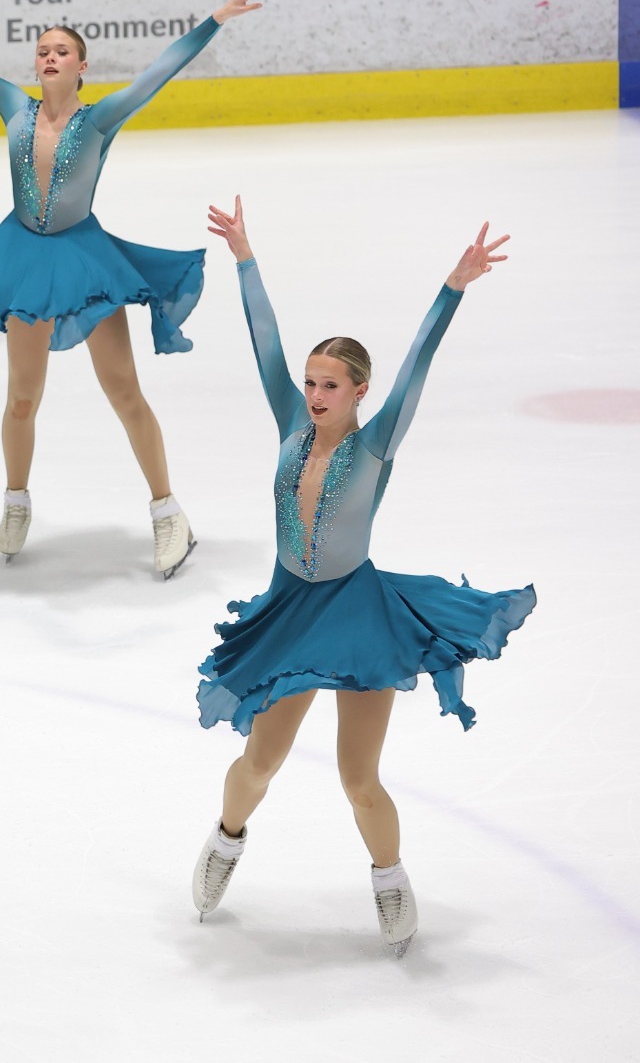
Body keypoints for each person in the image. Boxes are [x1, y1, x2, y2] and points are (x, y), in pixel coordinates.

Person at [189, 199, 535, 956]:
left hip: (357, 611)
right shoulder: (289, 421)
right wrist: (246, 258)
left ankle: (390, 881)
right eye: (311, 382)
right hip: (288, 610)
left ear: (358, 394)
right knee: (260, 761)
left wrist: (453, 287)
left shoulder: (377, 444)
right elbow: (263, 340)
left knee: (359, 778)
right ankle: (225, 841)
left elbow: (418, 361)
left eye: (331, 386)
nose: (314, 395)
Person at [0, 0, 271, 575]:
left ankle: (169, 514)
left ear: (81, 66)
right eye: (42, 51)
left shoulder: (101, 118)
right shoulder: (12, 105)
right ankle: (15, 502)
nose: (49, 56)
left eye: (62, 50)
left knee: (124, 391)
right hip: (22, 258)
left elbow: (161, 71)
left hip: (86, 261)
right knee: (22, 398)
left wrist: (216, 18)